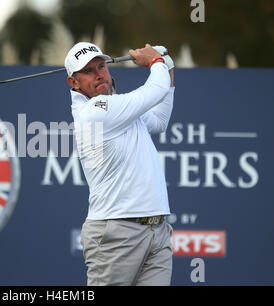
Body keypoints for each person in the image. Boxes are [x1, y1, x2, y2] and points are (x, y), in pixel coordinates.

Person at [65, 42, 175, 286]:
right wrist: (155, 60)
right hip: (116, 233)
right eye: (89, 71)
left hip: (157, 229)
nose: (99, 74)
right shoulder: (96, 111)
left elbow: (159, 120)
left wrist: (166, 63)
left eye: (101, 66)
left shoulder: (116, 107)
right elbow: (155, 90)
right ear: (74, 83)